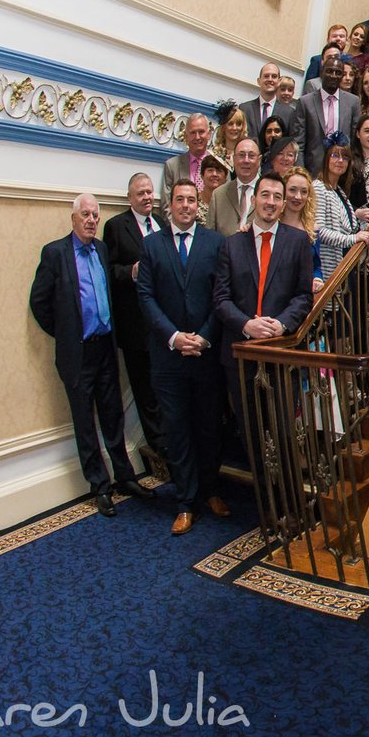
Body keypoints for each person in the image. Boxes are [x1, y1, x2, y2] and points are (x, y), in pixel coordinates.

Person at [29, 194, 140, 517]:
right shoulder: (55, 253)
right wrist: (66, 334)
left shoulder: (102, 250)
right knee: (85, 422)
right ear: (74, 218)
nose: (92, 220)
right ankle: (100, 486)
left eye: (95, 215)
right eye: (86, 215)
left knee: (113, 416)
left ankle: (125, 477)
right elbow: (40, 304)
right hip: (78, 353)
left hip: (105, 347)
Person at [136, 179, 227, 535]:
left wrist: (203, 337)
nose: (186, 205)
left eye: (191, 200)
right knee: (177, 432)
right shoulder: (151, 245)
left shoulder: (215, 243)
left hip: (205, 356)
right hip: (168, 358)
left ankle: (210, 491)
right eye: (180, 200)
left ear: (197, 204)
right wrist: (174, 337)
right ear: (169, 205)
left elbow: (221, 295)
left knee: (209, 428)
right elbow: (145, 297)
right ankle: (185, 502)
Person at [213, 173, 316, 471]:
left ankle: (290, 505)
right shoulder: (231, 245)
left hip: (282, 354)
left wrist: (281, 325)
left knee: (284, 433)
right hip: (240, 356)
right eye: (265, 195)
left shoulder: (298, 241)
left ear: (284, 204)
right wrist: (247, 325)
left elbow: (302, 296)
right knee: (251, 434)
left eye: (277, 197)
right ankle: (265, 506)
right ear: (255, 199)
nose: (270, 202)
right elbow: (220, 299)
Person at [102, 173, 165, 472]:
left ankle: (173, 436)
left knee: (166, 383)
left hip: (165, 324)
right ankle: (158, 444)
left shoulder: (163, 224)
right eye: (140, 193)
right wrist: (132, 272)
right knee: (144, 387)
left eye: (150, 192)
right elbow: (109, 272)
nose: (146, 197)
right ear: (130, 198)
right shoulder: (116, 227)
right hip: (135, 327)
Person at [313, 135, 369, 276]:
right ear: (326, 159)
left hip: (344, 263)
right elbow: (319, 231)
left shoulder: (340, 191)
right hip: (327, 268)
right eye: (335, 156)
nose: (340, 161)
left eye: (345, 157)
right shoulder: (318, 188)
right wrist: (352, 239)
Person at [280, 168, 323, 293]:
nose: (298, 197)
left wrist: (317, 278)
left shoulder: (313, 229)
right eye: (292, 190)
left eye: (304, 192)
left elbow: (316, 266)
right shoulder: (272, 225)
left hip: (301, 296)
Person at [208, 138, 261, 237]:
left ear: (259, 160)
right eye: (241, 155)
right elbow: (210, 238)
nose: (246, 160)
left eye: (251, 155)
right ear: (233, 159)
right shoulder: (218, 195)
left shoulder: (269, 194)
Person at [161, 115, 212, 211]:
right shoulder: (172, 166)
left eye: (201, 132)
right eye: (193, 132)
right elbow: (166, 207)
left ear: (209, 134)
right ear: (186, 136)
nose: (197, 137)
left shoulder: (221, 165)